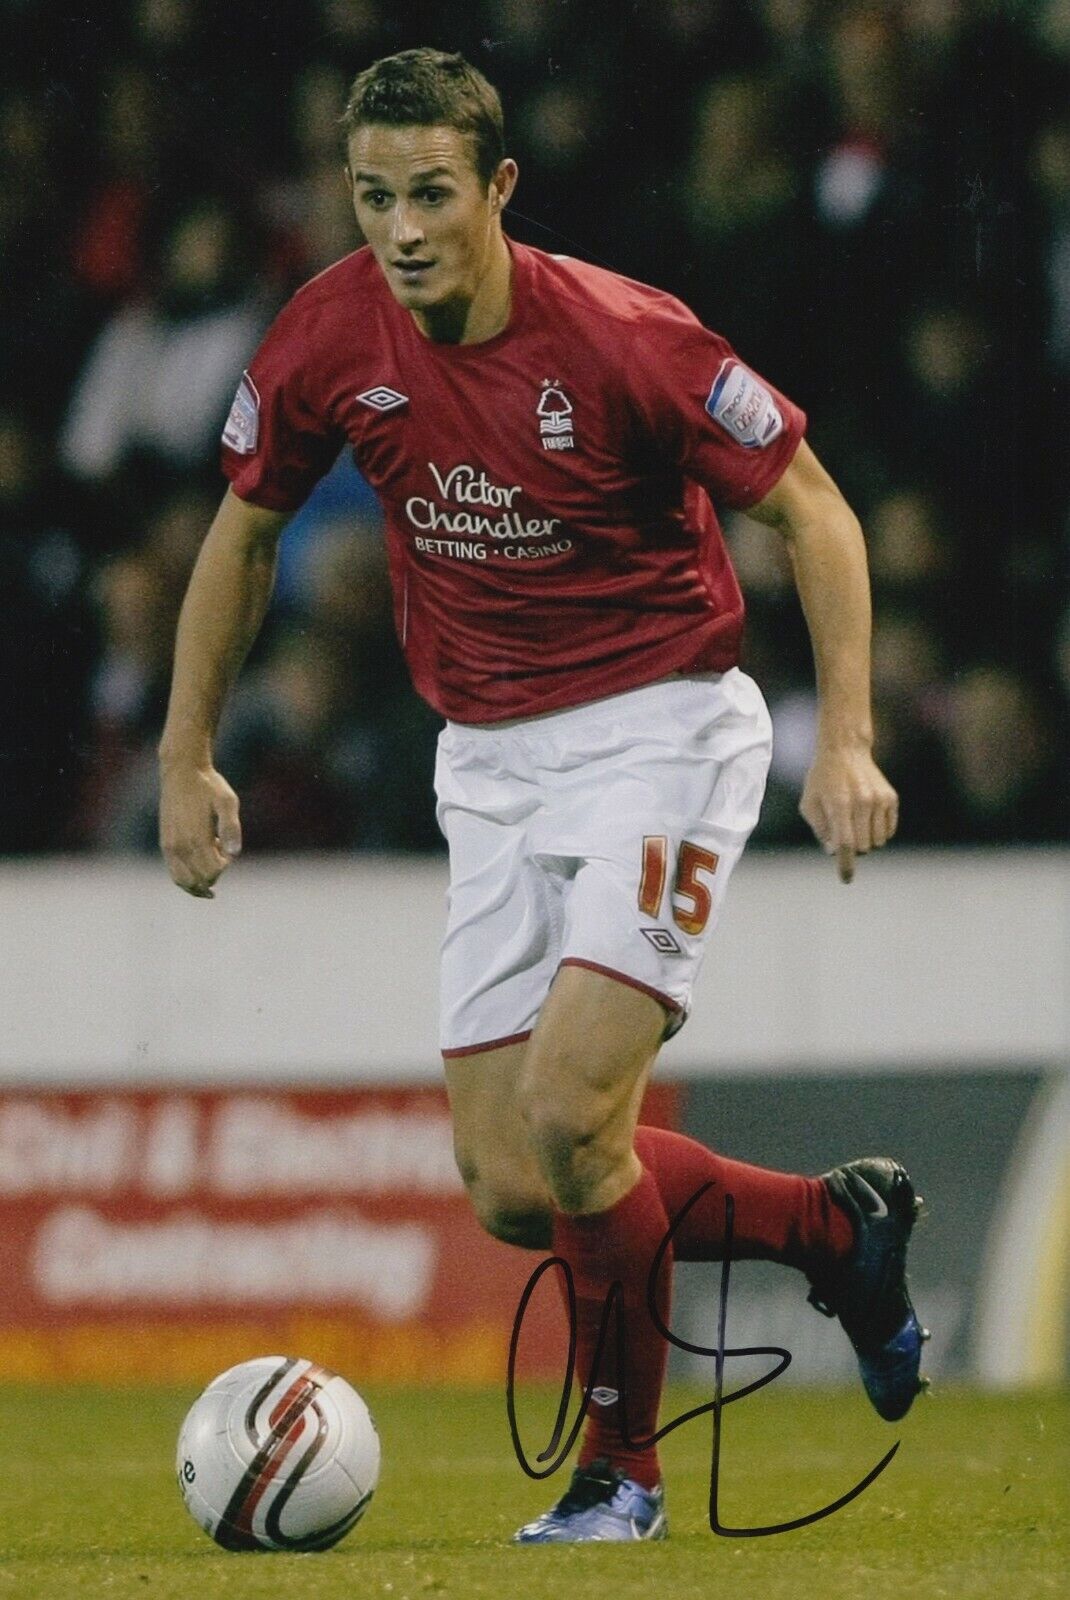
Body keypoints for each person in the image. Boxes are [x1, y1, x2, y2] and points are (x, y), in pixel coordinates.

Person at [159, 48, 927, 1544]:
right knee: (517, 1182)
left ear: (498, 189)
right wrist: (188, 753)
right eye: (373, 195)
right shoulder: (327, 332)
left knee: (578, 1115)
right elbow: (238, 537)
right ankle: (834, 1229)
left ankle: (619, 1478)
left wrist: (843, 736)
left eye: (431, 192)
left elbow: (816, 514)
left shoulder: (627, 341)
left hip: (657, 731)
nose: (400, 226)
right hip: (489, 759)